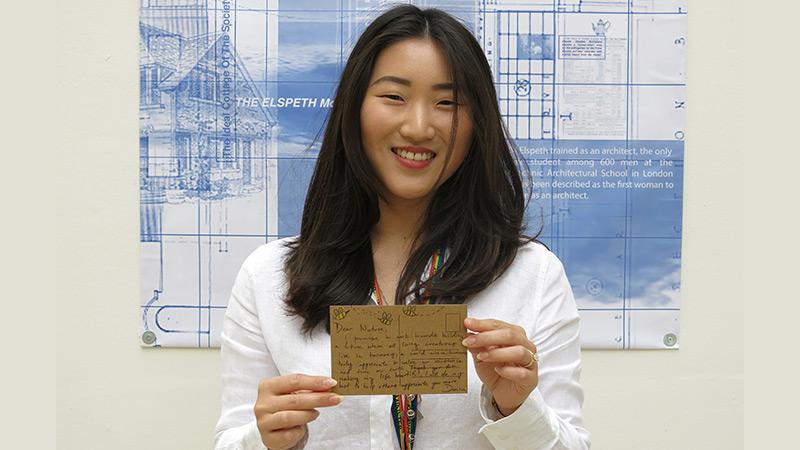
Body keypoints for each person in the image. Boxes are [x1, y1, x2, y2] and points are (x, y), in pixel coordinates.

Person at [214, 5, 590, 450]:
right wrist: (264, 439)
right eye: (394, 97)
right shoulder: (269, 276)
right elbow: (231, 439)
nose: (418, 126)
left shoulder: (532, 274)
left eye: (447, 103)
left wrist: (517, 409)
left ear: (478, 123)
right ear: (354, 108)